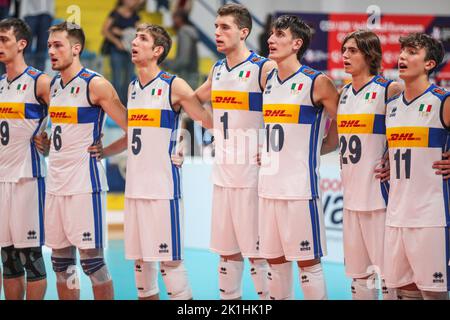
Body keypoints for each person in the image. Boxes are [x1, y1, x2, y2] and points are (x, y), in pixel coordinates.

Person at [101, 23, 212, 300]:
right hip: (134, 190)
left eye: (142, 38)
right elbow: (133, 135)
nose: (134, 42)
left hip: (163, 191)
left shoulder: (174, 85)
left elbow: (208, 121)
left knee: (170, 266)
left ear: (157, 50)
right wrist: (101, 151)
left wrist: (184, 138)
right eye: (135, 37)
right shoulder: (133, 87)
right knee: (141, 268)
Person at [195, 3, 276, 300]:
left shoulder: (262, 68)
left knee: (257, 255)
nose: (217, 32)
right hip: (223, 175)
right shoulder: (217, 69)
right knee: (227, 255)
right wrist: (209, 122)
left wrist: (272, 145)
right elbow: (189, 100)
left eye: (224, 27)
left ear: (243, 32)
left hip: (252, 177)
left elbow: (285, 109)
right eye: (216, 27)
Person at [44, 21, 127, 300]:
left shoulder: (96, 84)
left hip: (83, 185)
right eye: (49, 46)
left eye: (58, 45)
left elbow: (134, 127)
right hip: (55, 184)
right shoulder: (54, 85)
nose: (52, 51)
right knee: (61, 265)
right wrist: (45, 142)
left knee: (93, 263)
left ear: (76, 48)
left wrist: (107, 150)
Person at [258, 15, 339, 300]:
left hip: (299, 190)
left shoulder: (317, 82)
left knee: (308, 266)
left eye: (279, 35)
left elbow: (349, 122)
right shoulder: (268, 79)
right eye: (271, 34)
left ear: (296, 44)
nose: (271, 39)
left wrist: (321, 147)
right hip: (268, 189)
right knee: (274, 264)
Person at [384, 32, 450, 300]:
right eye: (402, 52)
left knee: (433, 293)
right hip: (396, 213)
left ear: (429, 64)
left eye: (412, 52)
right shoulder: (392, 106)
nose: (402, 57)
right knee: (404, 291)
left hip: (431, 217)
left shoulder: (442, 100)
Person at [338, 30, 402, 300]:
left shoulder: (389, 90)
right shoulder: (343, 93)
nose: (345, 56)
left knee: (389, 277)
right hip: (351, 198)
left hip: (379, 198)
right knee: (359, 278)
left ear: (370, 54)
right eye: (344, 50)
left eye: (352, 50)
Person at [0, 17, 49, 300]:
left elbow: (64, 114)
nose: (0, 46)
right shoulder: (1, 84)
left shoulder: (38, 81)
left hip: (27, 178)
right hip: (2, 178)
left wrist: (49, 136)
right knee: (8, 260)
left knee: (31, 257)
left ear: (22, 44)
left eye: (5, 40)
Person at [101, 0, 141, 104]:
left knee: (128, 79)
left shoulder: (135, 15)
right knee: (117, 79)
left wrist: (121, 32)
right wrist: (117, 42)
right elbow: (105, 30)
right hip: (116, 50)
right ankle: (115, 105)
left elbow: (139, 31)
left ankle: (126, 104)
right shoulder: (115, 13)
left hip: (130, 51)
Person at [19, 0, 54, 71]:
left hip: (47, 11)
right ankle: (25, 72)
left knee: (43, 44)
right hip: (29, 11)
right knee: (27, 44)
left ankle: (40, 75)